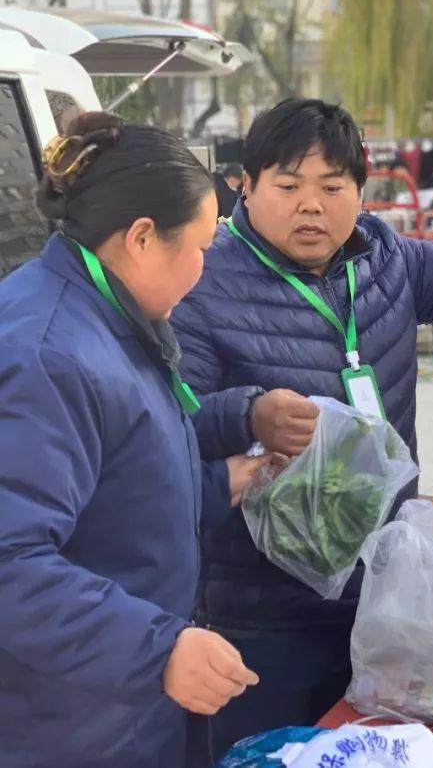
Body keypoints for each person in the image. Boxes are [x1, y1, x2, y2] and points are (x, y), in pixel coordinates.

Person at [170, 98, 433, 761]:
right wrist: (248, 411)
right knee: (265, 753)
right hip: (263, 608)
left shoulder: (381, 255)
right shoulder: (203, 279)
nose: (313, 206)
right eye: (289, 186)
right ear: (246, 185)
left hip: (385, 588)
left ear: (360, 190)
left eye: (333, 188)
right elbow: (172, 422)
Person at [0, 113, 265, 767]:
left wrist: (226, 479)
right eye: (200, 246)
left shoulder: (111, 316)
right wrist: (157, 649)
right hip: (64, 727)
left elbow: (120, 476)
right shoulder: (47, 352)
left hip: (118, 706)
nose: (205, 268)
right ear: (143, 237)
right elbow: (10, 561)